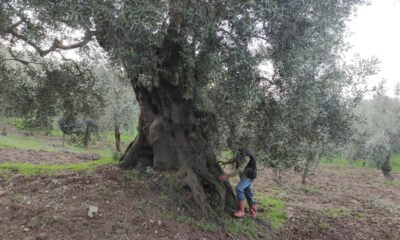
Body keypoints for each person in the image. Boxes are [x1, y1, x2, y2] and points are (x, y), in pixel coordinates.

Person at [219, 147, 257, 218]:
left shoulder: (247, 157)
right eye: (238, 151)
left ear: (244, 151)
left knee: (239, 188)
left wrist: (228, 175)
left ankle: (241, 211)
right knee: (248, 193)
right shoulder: (240, 157)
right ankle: (253, 213)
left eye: (240, 151)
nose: (238, 153)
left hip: (249, 176)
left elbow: (241, 169)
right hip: (247, 176)